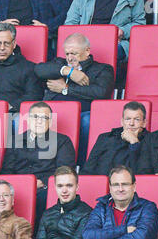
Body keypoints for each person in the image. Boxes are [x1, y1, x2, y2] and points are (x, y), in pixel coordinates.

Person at [34, 33, 114, 167]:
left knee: (87, 121)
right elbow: (38, 69)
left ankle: (81, 166)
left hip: (82, 114)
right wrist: (68, 71)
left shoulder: (102, 69)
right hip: (54, 114)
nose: (70, 58)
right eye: (67, 54)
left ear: (87, 51)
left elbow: (101, 92)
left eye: (74, 53)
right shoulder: (60, 64)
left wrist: (65, 89)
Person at [0, 102, 76, 233]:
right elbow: (7, 171)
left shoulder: (62, 141)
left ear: (50, 121)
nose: (39, 121)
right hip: (18, 187)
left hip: (45, 187)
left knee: (46, 197)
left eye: (44, 118)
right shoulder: (15, 140)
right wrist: (23, 184)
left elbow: (65, 172)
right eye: (35, 117)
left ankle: (37, 238)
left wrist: (44, 183)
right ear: (28, 120)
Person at [82, 165, 158, 239]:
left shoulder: (148, 207)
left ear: (134, 186)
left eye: (125, 184)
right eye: (115, 185)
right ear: (110, 188)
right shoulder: (101, 207)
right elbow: (88, 236)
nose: (120, 189)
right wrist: (124, 230)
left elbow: (141, 237)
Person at [35, 166, 92, 239]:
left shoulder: (87, 212)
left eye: (69, 186)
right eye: (60, 186)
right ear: (55, 187)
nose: (64, 190)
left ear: (77, 187)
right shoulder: (47, 213)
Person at [0, 0, 68, 59]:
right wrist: (0, 23)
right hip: (5, 47)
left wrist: (47, 27)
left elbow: (65, 15)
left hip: (36, 45)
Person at [65, 0, 146, 63]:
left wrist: (123, 31)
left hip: (117, 42)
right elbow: (70, 23)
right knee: (73, 52)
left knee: (111, 52)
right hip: (85, 41)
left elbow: (139, 23)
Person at [81, 101, 148, 175]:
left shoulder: (151, 141)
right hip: (101, 184)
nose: (131, 123)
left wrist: (134, 143)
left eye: (137, 119)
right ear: (122, 122)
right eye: (128, 119)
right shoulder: (105, 138)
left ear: (144, 123)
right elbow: (87, 170)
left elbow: (142, 174)